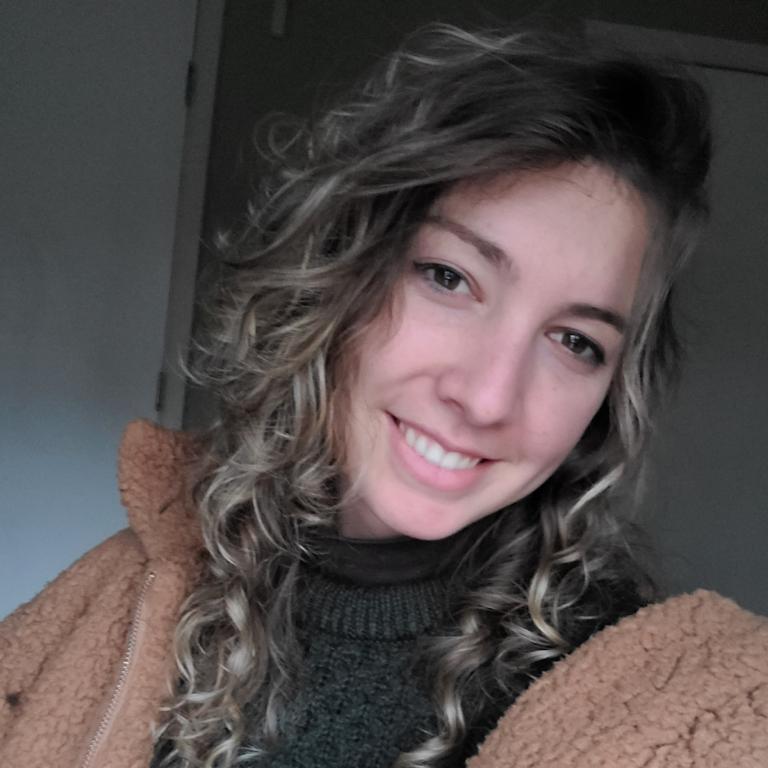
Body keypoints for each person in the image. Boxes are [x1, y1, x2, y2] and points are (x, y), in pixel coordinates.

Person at [2, 23, 767, 768]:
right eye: (450, 278)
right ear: (340, 270)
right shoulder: (129, 582)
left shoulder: (667, 696)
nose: (488, 398)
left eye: (575, 341)